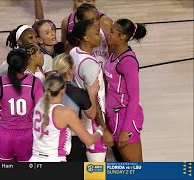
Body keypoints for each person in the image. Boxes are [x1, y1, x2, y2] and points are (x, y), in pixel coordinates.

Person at [0, 49, 43, 162]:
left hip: (4, 135)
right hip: (27, 136)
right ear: (26, 64)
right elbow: (41, 112)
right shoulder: (35, 82)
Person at [29, 73, 104, 162]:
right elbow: (89, 140)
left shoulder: (39, 103)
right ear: (63, 89)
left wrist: (71, 124)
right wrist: (100, 131)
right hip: (54, 159)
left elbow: (51, 125)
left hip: (35, 159)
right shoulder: (65, 113)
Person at [68, 20, 114, 162]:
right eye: (96, 33)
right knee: (97, 171)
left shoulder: (73, 51)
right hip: (92, 121)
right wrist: (104, 129)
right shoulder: (90, 65)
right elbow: (93, 99)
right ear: (86, 38)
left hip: (80, 115)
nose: (100, 36)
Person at [104, 18, 147, 162]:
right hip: (113, 117)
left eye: (112, 32)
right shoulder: (113, 54)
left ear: (122, 37)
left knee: (136, 168)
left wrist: (125, 130)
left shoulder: (128, 61)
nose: (108, 34)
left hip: (124, 119)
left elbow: (134, 99)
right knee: (123, 166)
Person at [53, 53, 100, 162]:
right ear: (70, 70)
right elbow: (92, 115)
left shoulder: (47, 89)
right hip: (72, 142)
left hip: (51, 140)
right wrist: (92, 95)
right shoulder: (78, 93)